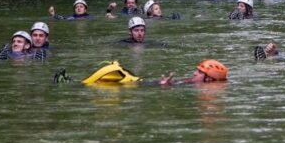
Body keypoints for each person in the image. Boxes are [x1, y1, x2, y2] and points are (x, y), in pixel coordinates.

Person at [64, 59, 227, 85]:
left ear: (209, 80)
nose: (194, 74)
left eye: (198, 73)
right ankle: (73, 82)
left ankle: (72, 83)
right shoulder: (192, 84)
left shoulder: (204, 89)